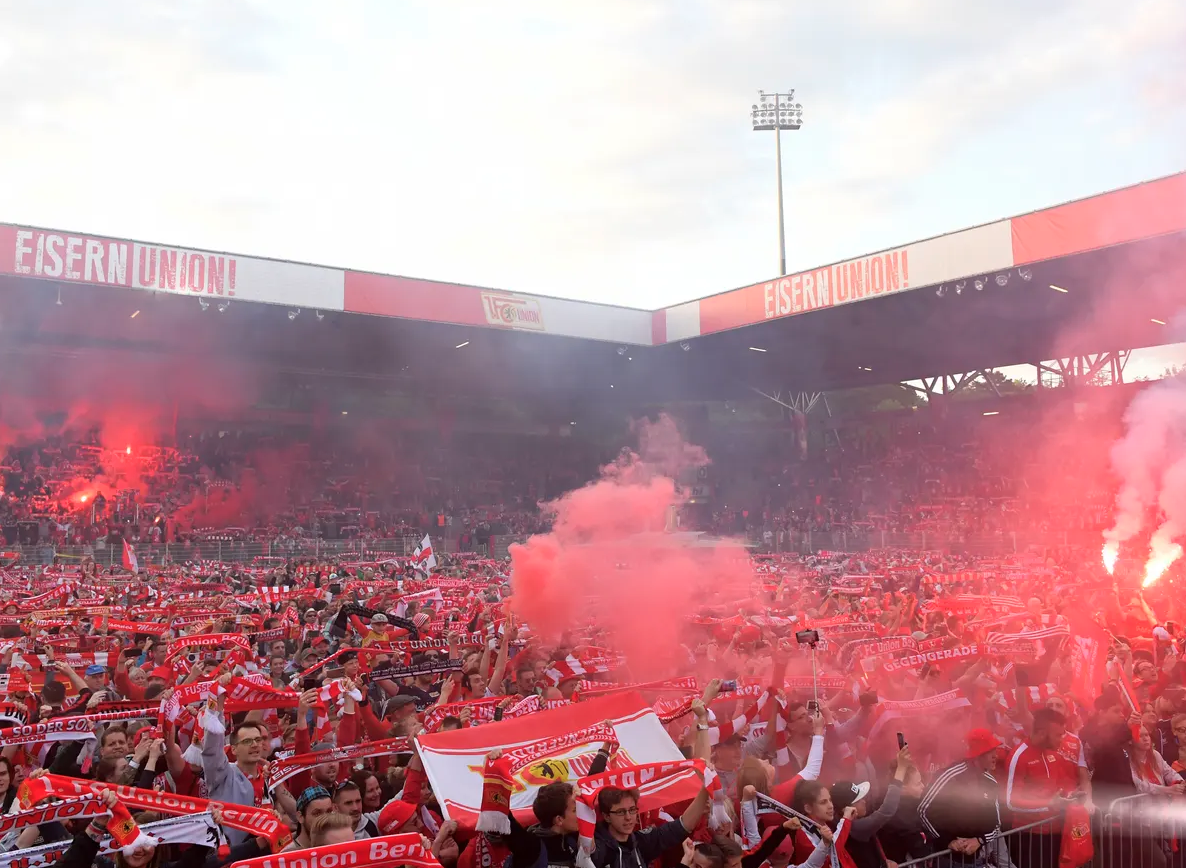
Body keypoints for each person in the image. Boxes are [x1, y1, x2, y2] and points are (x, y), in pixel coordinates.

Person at [918, 728, 1003, 865]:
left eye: (995, 751)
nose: (995, 756)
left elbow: (996, 822)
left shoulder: (991, 783)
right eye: (990, 752)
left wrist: (979, 840)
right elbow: (923, 810)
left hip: (977, 859)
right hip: (947, 858)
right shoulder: (949, 776)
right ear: (977, 755)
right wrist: (947, 841)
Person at [591, 783, 711, 868]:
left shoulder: (640, 841)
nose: (628, 817)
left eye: (632, 810)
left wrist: (705, 787)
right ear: (606, 816)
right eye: (621, 812)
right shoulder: (598, 848)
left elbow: (682, 826)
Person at [282, 786, 335, 851]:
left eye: (329, 812)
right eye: (317, 813)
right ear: (300, 817)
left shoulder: (340, 844)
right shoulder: (287, 855)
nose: (325, 819)